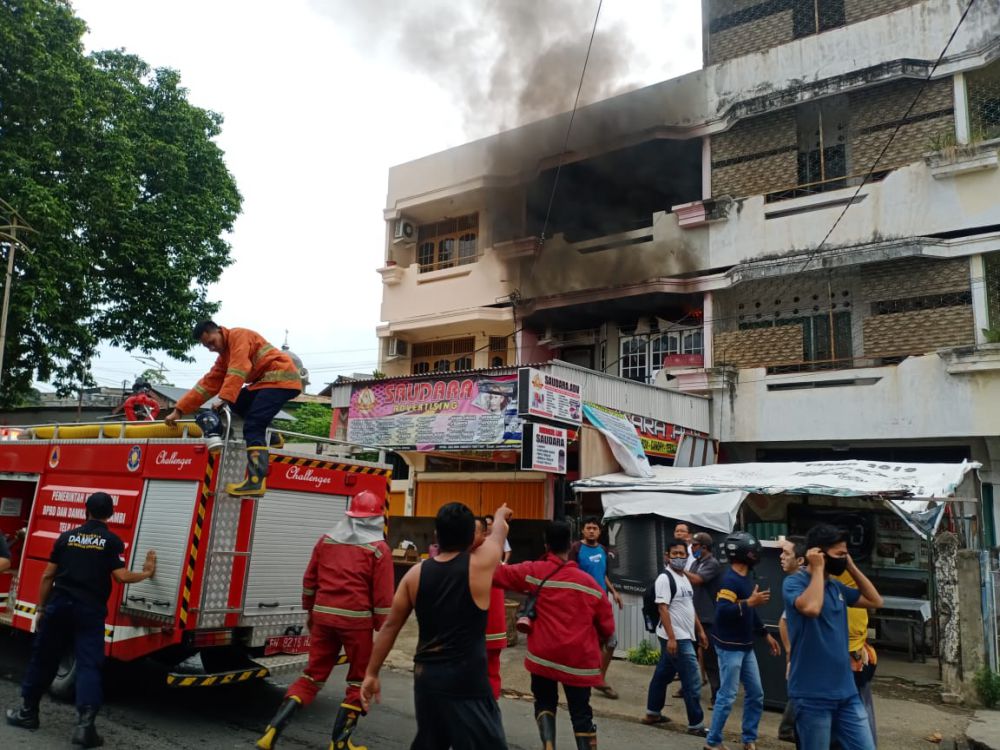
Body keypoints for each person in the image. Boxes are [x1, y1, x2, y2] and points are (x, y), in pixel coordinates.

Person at [5, 492, 156, 748]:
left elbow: (47, 576)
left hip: (59, 606)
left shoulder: (66, 538)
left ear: (85, 510)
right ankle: (85, 728)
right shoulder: (111, 541)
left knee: (44, 659)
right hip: (90, 611)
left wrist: (41, 608)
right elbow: (120, 577)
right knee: (88, 665)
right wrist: (147, 572)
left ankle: (28, 713)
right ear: (110, 514)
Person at [361, 503, 510, 750]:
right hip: (468, 681)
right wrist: (501, 514)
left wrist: (371, 673)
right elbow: (498, 534)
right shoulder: (481, 565)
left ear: (436, 535)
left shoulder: (414, 575)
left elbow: (390, 628)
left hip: (428, 679)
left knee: (432, 742)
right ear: (472, 538)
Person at [256, 489, 393, 750]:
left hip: (322, 617)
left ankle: (271, 732)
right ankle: (340, 743)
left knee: (312, 676)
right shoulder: (379, 550)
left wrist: (310, 611)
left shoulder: (326, 541)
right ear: (376, 519)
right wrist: (381, 628)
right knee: (357, 680)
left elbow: (310, 581)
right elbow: (383, 597)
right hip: (356, 622)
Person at [494, 520, 615, 750]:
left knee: (544, 702)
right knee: (581, 713)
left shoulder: (533, 572)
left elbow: (499, 574)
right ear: (570, 545)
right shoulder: (590, 585)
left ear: (546, 544)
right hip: (578, 662)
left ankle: (548, 744)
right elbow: (607, 626)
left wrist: (496, 534)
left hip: (544, 656)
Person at [164, 320, 302, 496]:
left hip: (280, 379)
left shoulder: (238, 336)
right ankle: (273, 436)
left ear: (219, 331)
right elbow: (207, 385)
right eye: (207, 347)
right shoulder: (224, 358)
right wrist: (179, 410)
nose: (211, 348)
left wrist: (224, 398)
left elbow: (239, 368)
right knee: (238, 401)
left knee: (253, 426)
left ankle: (255, 482)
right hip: (265, 383)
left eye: (212, 343)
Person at [783, 524, 883, 750]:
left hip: (846, 693)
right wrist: (817, 570)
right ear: (817, 554)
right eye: (839, 554)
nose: (842, 559)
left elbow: (875, 601)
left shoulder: (836, 587)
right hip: (812, 696)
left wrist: (850, 565)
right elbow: (812, 608)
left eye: (845, 554)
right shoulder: (794, 583)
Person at [705, 531, 781, 750]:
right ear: (744, 554)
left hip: (745, 646)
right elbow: (722, 611)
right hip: (730, 648)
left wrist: (765, 633)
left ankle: (749, 739)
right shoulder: (729, 580)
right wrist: (749, 602)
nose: (757, 555)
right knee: (727, 696)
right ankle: (713, 743)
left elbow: (750, 611)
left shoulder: (746, 577)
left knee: (756, 694)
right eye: (754, 551)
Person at [643, 538, 709, 736]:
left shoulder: (684, 578)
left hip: (685, 635)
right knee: (692, 680)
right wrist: (672, 638)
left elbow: (689, 607)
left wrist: (700, 631)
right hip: (676, 637)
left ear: (687, 556)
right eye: (675, 554)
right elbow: (662, 608)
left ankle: (652, 713)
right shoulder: (665, 578)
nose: (679, 557)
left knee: (663, 674)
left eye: (682, 554)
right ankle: (696, 724)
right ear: (667, 556)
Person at [569, 516, 623, 700]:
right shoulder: (576, 549)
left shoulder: (602, 550)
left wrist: (614, 592)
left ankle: (599, 678)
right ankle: (579, 677)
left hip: (601, 604)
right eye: (588, 527)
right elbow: (570, 574)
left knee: (610, 642)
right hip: (582, 605)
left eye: (595, 528)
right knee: (582, 644)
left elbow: (603, 575)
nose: (592, 531)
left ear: (600, 532)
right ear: (583, 530)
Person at [685, 531, 723, 707]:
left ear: (704, 548)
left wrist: (679, 569)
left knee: (710, 659)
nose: (692, 548)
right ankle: (689, 688)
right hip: (694, 615)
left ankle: (717, 694)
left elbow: (698, 580)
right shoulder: (696, 563)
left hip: (708, 617)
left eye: (695, 545)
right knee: (689, 655)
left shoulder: (712, 564)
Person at [777, 535, 808, 745]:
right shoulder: (794, 585)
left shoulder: (809, 583)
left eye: (786, 553)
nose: (781, 556)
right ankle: (787, 728)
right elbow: (783, 621)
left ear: (801, 560)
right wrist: (790, 649)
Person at [475, 517, 509, 700]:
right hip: (484, 628)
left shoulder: (483, 555)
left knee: (489, 673)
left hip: (488, 627)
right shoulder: (491, 554)